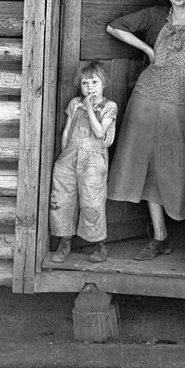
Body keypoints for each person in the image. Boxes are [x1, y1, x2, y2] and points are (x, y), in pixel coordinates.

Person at [106, 0, 185, 261]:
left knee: (171, 166)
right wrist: (149, 51)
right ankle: (160, 236)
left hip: (181, 103)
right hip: (146, 97)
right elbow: (114, 26)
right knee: (142, 163)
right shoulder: (155, 15)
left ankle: (170, 233)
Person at [49, 61, 118, 264]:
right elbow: (66, 131)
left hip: (93, 161)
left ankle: (99, 244)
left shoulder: (109, 106)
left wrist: (89, 109)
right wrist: (64, 156)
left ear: (103, 84)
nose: (89, 87)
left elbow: (99, 132)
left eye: (94, 82)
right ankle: (65, 242)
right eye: (85, 83)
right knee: (62, 200)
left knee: (92, 202)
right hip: (69, 158)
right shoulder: (74, 103)